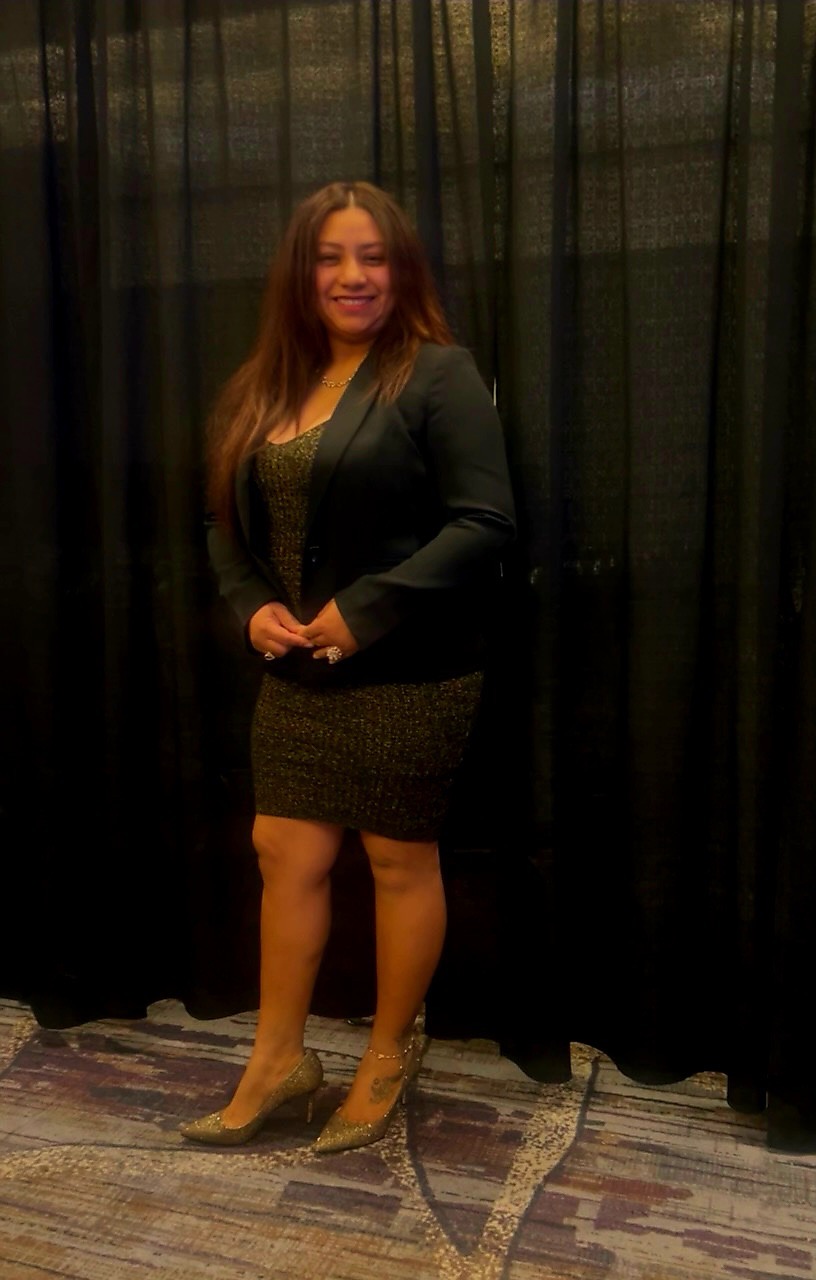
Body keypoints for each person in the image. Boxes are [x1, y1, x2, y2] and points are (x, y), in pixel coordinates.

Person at [180, 180, 516, 1155]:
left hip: (412, 669)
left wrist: (362, 612)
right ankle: (276, 1059)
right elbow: (219, 522)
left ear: (400, 270)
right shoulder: (263, 384)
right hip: (298, 674)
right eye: (330, 257)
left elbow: (484, 523)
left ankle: (385, 1055)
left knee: (397, 860)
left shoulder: (439, 375)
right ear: (302, 273)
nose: (352, 275)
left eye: (372, 256)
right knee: (283, 852)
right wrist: (251, 609)